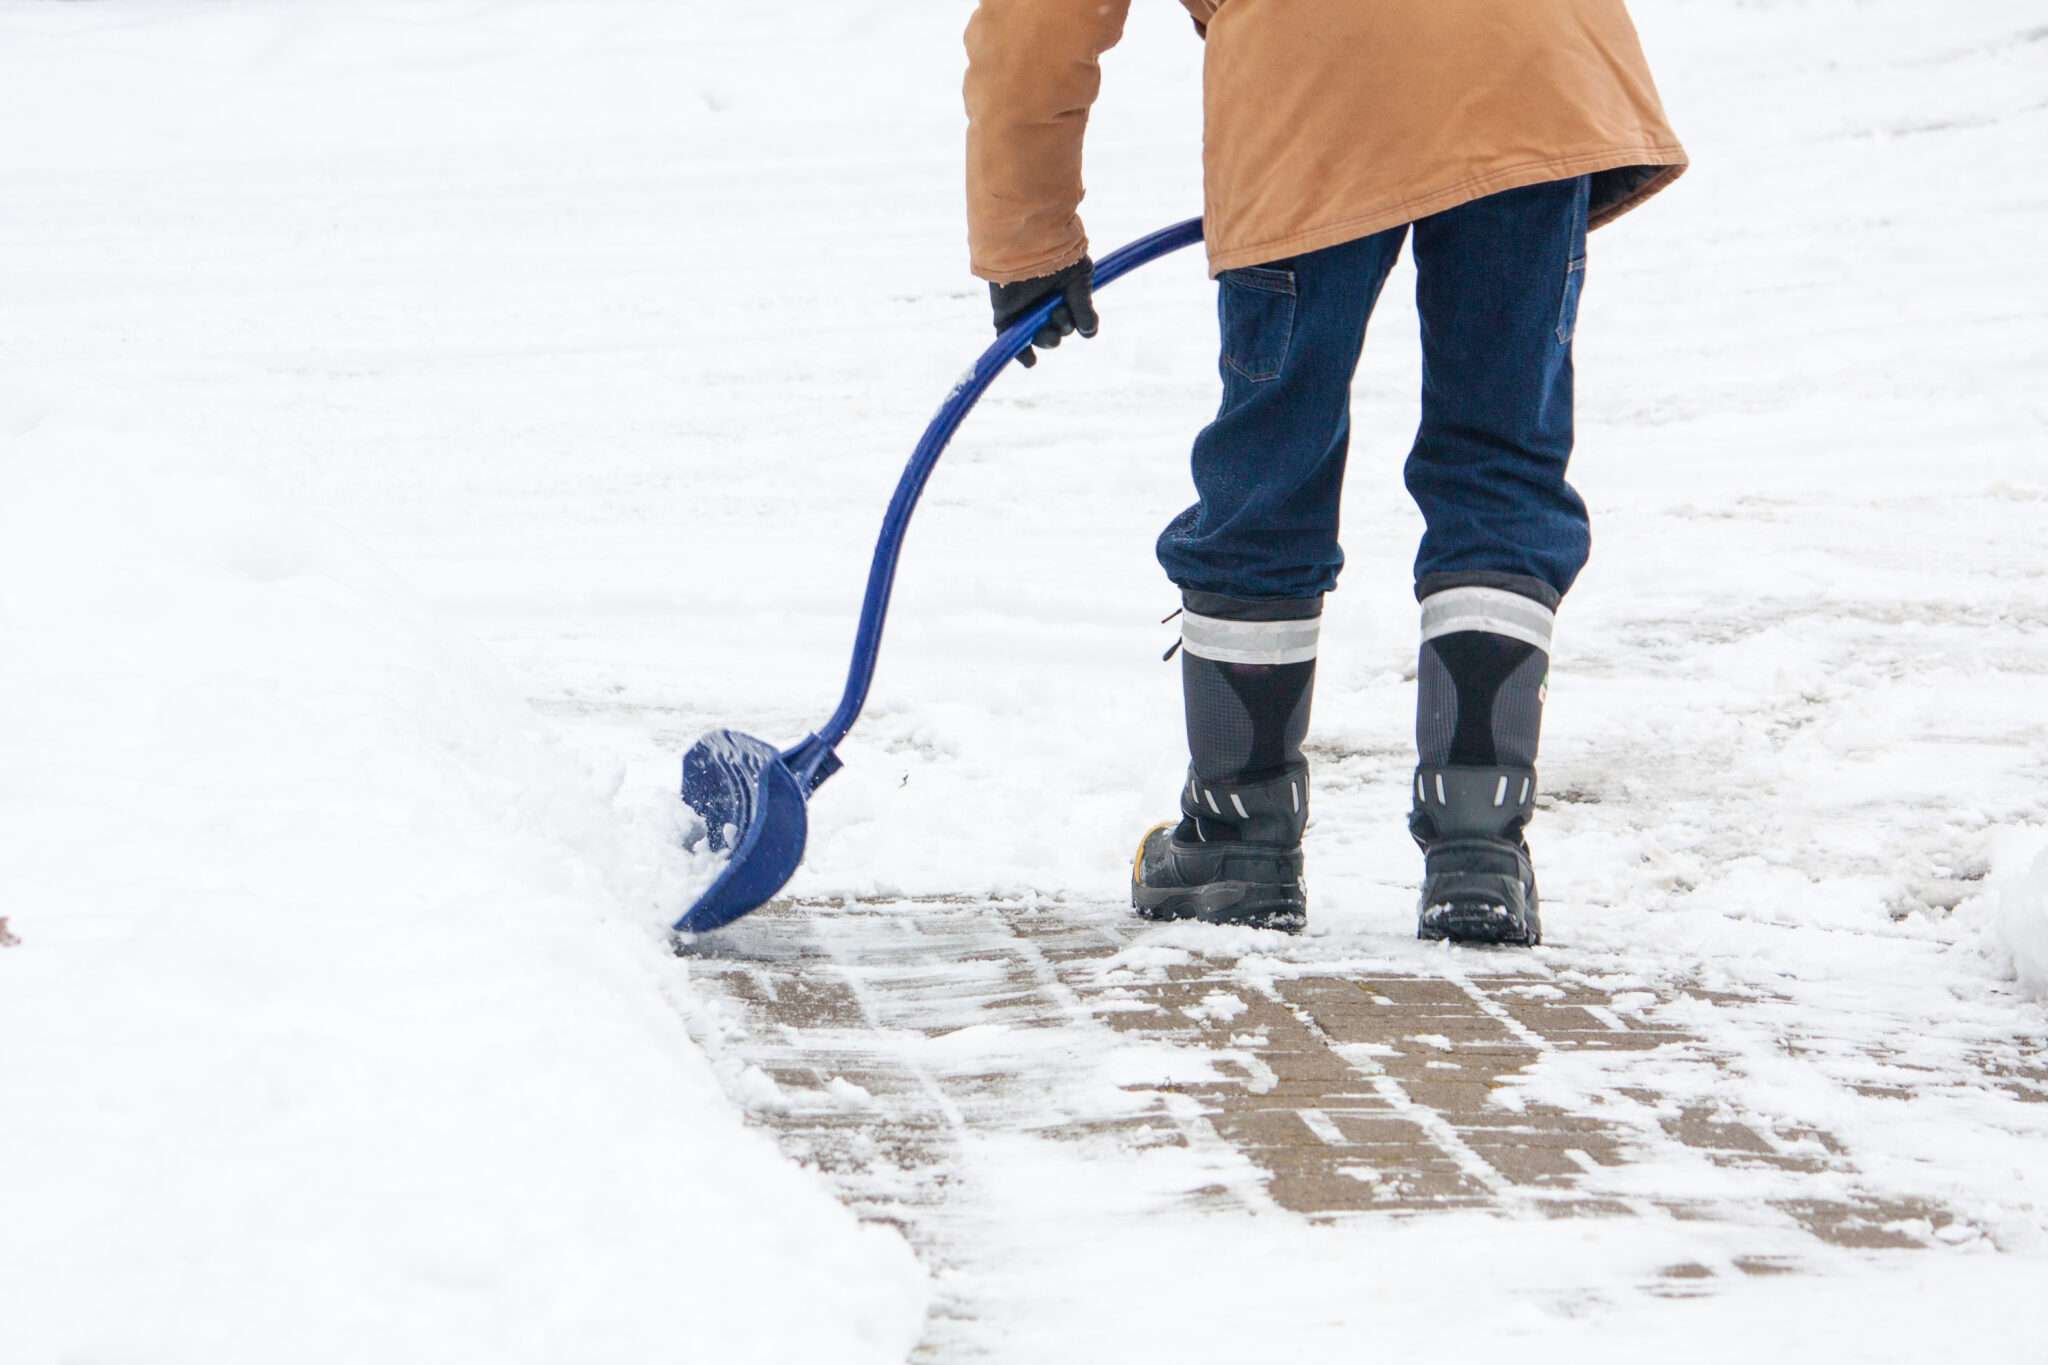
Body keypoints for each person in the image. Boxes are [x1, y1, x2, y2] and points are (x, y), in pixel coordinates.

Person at [964, 1, 1686, 945]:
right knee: (1501, 456)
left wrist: (1028, 242)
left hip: (1314, 79)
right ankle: (1480, 845)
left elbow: (1035, 20)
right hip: (1528, 64)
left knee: (1274, 460)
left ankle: (1239, 836)